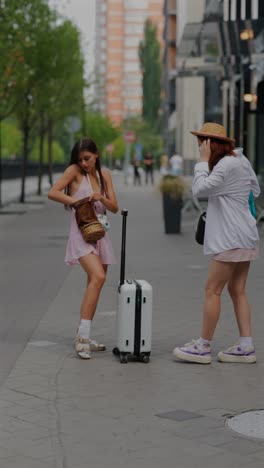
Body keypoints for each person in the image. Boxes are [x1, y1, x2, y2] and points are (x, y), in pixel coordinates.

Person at [173, 123, 260, 365]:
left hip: (230, 238)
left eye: (201, 142)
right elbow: (256, 190)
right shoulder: (241, 161)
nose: (200, 146)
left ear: (210, 143)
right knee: (237, 290)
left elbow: (199, 190)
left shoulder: (225, 165)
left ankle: (203, 347)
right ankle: (246, 346)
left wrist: (201, 162)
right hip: (245, 235)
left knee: (213, 290)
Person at [48, 138, 118, 359]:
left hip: (100, 234)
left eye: (87, 158)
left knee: (94, 285)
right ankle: (83, 338)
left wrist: (101, 199)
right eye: (80, 159)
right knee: (98, 277)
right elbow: (53, 192)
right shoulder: (75, 171)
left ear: (96, 154)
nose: (84, 163)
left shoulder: (104, 175)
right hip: (80, 234)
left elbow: (115, 207)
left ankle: (83, 333)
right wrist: (77, 201)